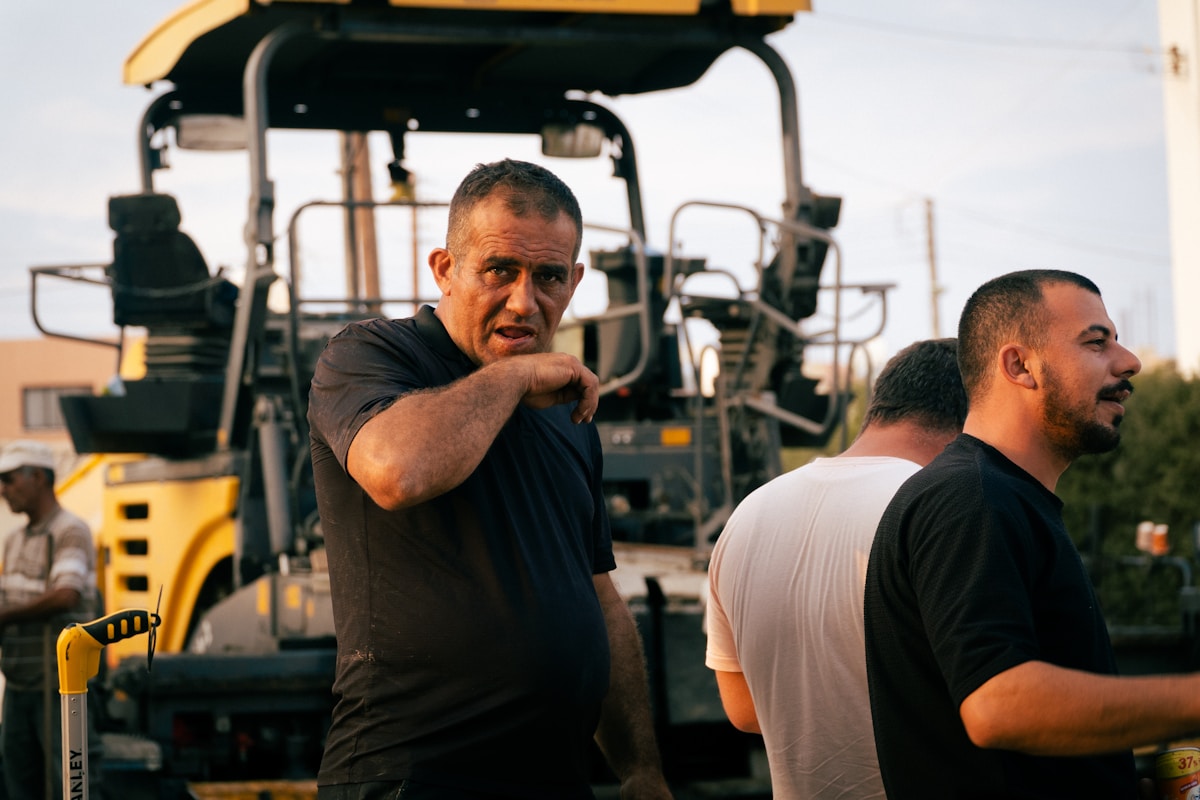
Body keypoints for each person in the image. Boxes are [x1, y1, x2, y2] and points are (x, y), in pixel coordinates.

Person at [307, 159, 672, 800]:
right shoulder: (371, 356)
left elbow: (600, 598)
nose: (525, 302)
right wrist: (515, 376)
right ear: (445, 269)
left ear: (576, 280)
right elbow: (398, 472)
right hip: (415, 780)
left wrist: (640, 770)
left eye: (550, 277)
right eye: (500, 270)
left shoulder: (567, 410)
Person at [861, 269, 1178, 799]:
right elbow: (998, 704)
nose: (1129, 362)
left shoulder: (1000, 497)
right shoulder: (972, 498)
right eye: (1096, 342)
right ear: (1019, 365)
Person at [704, 338, 968, 799]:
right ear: (974, 418)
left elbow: (745, 710)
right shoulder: (947, 510)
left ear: (879, 407)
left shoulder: (748, 513)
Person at [0, 439, 100, 800]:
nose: (3, 490)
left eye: (10, 479)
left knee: (67, 784)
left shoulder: (69, 530)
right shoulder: (14, 540)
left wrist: (5, 617)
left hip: (59, 687)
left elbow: (65, 594)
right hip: (20, 685)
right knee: (18, 781)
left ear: (39, 477)